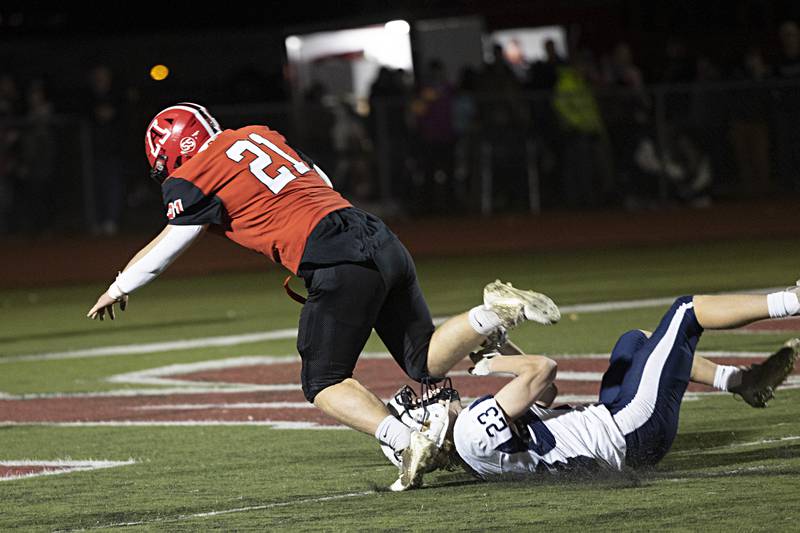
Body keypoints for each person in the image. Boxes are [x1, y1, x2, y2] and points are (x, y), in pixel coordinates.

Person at [85, 102, 561, 490]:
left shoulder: (195, 174)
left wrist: (120, 285)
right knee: (425, 362)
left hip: (333, 255)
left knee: (323, 379)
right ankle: (490, 311)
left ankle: (406, 440)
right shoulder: (259, 133)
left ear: (173, 151)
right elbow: (322, 182)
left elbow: (171, 243)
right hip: (376, 233)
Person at [385, 286, 800, 486]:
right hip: (629, 429)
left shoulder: (476, 447)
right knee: (686, 311)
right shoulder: (470, 431)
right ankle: (791, 301)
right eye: (416, 411)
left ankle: (740, 382)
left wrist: (502, 347)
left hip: (616, 432)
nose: (427, 400)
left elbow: (547, 396)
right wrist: (495, 361)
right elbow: (544, 370)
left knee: (633, 343)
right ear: (428, 436)